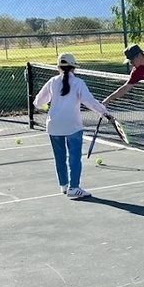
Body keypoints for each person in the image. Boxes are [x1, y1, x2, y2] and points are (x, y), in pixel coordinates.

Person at [32, 53, 115, 199]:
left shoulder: (52, 82)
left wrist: (45, 106)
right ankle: (74, 188)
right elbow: (89, 101)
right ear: (73, 68)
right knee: (74, 158)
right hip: (73, 126)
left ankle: (64, 186)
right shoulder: (78, 83)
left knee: (59, 157)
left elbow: (38, 102)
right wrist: (105, 113)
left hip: (54, 125)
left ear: (58, 67)